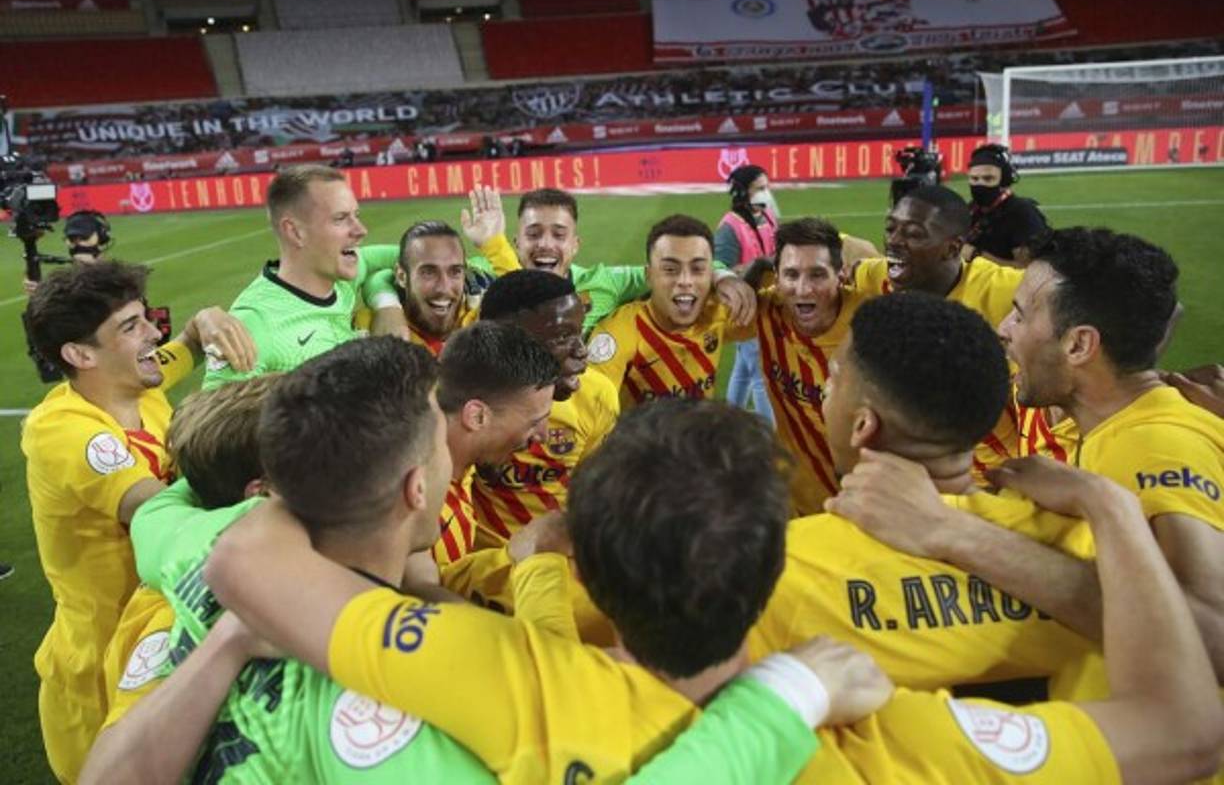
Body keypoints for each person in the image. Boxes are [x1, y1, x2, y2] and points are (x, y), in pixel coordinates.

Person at [208, 393, 1221, 784]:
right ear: (776, 560)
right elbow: (1186, 729)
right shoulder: (897, 743)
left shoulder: (511, 679)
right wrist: (1113, 512)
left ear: (592, 570)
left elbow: (247, 560)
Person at [102, 336, 864, 784]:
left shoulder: (221, 543)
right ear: (412, 485)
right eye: (439, 440)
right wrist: (788, 696)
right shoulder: (424, 722)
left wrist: (234, 634)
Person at [849, 228, 1224, 695]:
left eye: (1022, 315)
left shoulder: (1153, 443)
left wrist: (950, 530)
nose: (1004, 328)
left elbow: (1212, 638)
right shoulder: (1126, 426)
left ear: (1079, 346)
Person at [750, 292, 1099, 699]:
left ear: (863, 425)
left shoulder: (778, 570)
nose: (826, 395)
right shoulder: (1089, 552)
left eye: (833, 380)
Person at [20, 260, 254, 783]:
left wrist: (210, 319)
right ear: (81, 355)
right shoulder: (62, 430)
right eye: (130, 326)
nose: (154, 333)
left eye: (145, 317)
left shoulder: (139, 382)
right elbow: (156, 510)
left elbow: (189, 338)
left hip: (168, 635)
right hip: (101, 672)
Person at [853, 184, 1024, 479]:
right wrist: (751, 275)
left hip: (999, 479)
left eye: (914, 234)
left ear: (953, 248)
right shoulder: (878, 277)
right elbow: (832, 250)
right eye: (891, 229)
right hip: (923, 477)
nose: (894, 241)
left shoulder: (1004, 289)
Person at [202, 164, 400, 388]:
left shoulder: (341, 276)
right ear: (295, 232)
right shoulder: (254, 325)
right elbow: (210, 420)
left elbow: (415, 257)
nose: (361, 229)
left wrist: (386, 301)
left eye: (356, 215)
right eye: (340, 218)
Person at [463, 186, 756, 335]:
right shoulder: (485, 270)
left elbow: (670, 268)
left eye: (559, 234)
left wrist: (721, 275)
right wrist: (491, 244)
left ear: (575, 245)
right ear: (516, 243)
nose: (546, 245)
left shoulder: (604, 282)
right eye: (534, 234)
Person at [471, 269, 619, 545]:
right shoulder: (459, 404)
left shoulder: (598, 395)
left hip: (556, 567)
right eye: (562, 336)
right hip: (475, 571)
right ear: (506, 343)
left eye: (580, 332)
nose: (582, 350)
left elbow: (592, 498)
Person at [741, 218, 870, 515]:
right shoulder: (767, 311)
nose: (803, 289)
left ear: (841, 275)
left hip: (868, 505)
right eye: (791, 274)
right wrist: (730, 279)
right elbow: (693, 310)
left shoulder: (871, 321)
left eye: (817, 275)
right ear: (776, 277)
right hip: (797, 504)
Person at [587, 214, 754, 407]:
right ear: (649, 276)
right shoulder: (617, 334)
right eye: (670, 269)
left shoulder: (716, 311)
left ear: (711, 274)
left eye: (698, 269)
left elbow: (779, 312)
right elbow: (591, 409)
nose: (685, 281)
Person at [432, 321, 559, 568]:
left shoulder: (457, 464)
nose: (543, 436)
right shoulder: (422, 515)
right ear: (477, 416)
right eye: (534, 423)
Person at [715, 165, 778, 424]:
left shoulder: (768, 216)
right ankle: (774, 438)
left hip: (766, 303)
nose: (766, 193)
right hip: (745, 307)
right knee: (762, 374)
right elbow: (720, 268)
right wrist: (753, 268)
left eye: (767, 187)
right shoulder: (729, 228)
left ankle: (728, 422)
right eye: (760, 188)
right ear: (744, 192)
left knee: (743, 368)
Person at [364, 220, 484, 353]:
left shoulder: (485, 317)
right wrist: (385, 302)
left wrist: (494, 243)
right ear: (401, 276)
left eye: (455, 271)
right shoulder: (368, 330)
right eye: (428, 273)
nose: (443, 288)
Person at [962, 144, 1049, 266]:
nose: (979, 184)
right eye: (974, 179)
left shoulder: (1022, 213)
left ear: (1004, 181)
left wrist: (976, 255)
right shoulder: (971, 209)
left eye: (988, 179)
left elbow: (1027, 268)